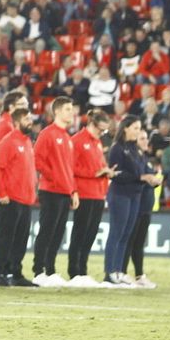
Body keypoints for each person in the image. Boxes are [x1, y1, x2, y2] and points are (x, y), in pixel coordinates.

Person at [31, 97, 78, 287]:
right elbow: (37, 160)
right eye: (67, 109)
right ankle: (38, 270)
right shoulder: (48, 133)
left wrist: (73, 190)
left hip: (65, 191)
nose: (71, 112)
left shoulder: (67, 137)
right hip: (50, 190)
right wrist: (55, 178)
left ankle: (50, 270)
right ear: (57, 111)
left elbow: (69, 168)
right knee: (47, 230)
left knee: (58, 232)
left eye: (71, 109)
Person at [65, 110, 115, 286]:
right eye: (101, 130)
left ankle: (83, 270)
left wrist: (106, 171)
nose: (102, 133)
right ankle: (74, 271)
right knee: (80, 232)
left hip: (98, 193)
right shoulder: (77, 141)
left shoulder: (98, 143)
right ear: (92, 124)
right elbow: (70, 168)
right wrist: (93, 174)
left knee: (91, 233)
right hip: (84, 192)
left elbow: (98, 165)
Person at [0, 106, 37, 287]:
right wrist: (1, 193)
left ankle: (15, 272)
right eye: (26, 119)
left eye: (30, 118)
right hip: (10, 198)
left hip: (25, 199)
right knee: (5, 237)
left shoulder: (27, 142)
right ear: (17, 122)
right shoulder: (8, 141)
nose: (30, 122)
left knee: (21, 239)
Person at [103, 116, 149, 287]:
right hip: (120, 195)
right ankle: (109, 272)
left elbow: (138, 171)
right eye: (136, 128)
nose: (138, 131)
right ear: (126, 128)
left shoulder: (134, 149)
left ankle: (119, 271)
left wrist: (144, 177)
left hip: (134, 196)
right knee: (117, 232)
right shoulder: (117, 148)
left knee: (126, 234)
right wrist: (141, 177)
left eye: (139, 128)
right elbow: (117, 174)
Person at [123, 129, 162, 289]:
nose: (146, 141)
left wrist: (155, 180)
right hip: (136, 206)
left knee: (139, 243)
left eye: (146, 138)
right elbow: (135, 179)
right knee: (130, 241)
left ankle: (139, 275)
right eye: (142, 138)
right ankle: (122, 273)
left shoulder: (145, 158)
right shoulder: (133, 158)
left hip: (146, 207)